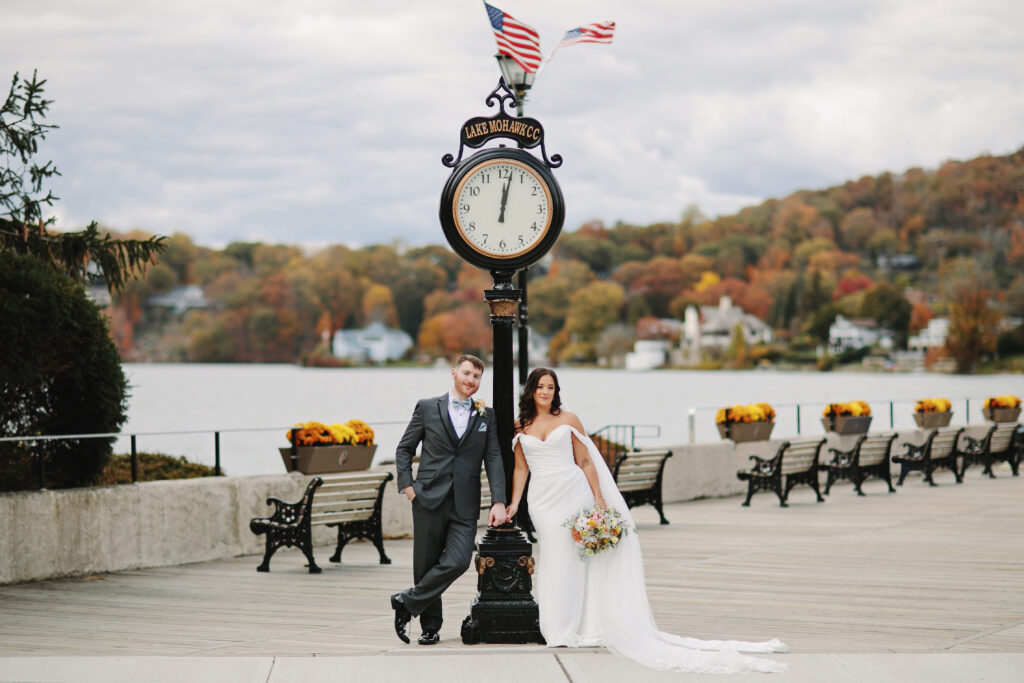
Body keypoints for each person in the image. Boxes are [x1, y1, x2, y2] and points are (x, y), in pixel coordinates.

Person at [506, 368, 787, 674]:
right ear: (531, 390)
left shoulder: (569, 419)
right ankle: (556, 625)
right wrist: (514, 503)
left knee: (576, 559)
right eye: (540, 387)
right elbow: (521, 469)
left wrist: (599, 499)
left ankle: (575, 626)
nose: (545, 392)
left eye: (550, 387)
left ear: (556, 391)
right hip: (543, 500)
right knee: (554, 556)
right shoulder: (521, 426)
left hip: (574, 494)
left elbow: (586, 461)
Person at [390, 354, 507, 646]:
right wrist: (408, 485)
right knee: (426, 564)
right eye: (467, 373)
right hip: (428, 496)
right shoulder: (428, 407)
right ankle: (430, 627)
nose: (471, 380)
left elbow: (493, 458)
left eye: (477, 376)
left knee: (459, 560)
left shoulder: (485, 415)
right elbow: (405, 448)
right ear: (454, 373)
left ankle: (406, 602)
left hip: (465, 502)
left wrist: (499, 500)